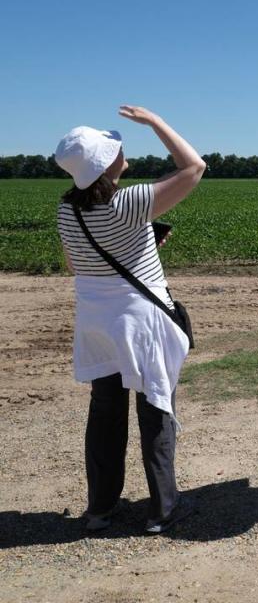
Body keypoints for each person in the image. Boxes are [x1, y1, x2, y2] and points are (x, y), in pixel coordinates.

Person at [55, 105, 206, 533]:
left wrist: (142, 245)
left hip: (97, 324)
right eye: (115, 147)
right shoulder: (130, 201)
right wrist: (156, 121)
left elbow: (77, 264)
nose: (124, 151)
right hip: (140, 325)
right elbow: (194, 167)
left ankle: (100, 509)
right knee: (155, 406)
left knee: (105, 412)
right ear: (106, 164)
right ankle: (162, 510)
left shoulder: (68, 210)